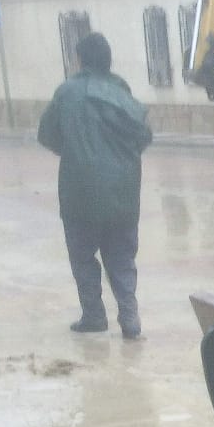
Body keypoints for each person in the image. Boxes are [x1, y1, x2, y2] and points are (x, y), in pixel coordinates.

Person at [37, 32, 153, 339]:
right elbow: (143, 136)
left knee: (83, 255)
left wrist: (75, 150)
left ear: (80, 60)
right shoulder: (121, 90)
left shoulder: (67, 93)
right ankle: (129, 316)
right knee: (122, 256)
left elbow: (47, 134)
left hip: (80, 192)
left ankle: (93, 315)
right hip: (122, 192)